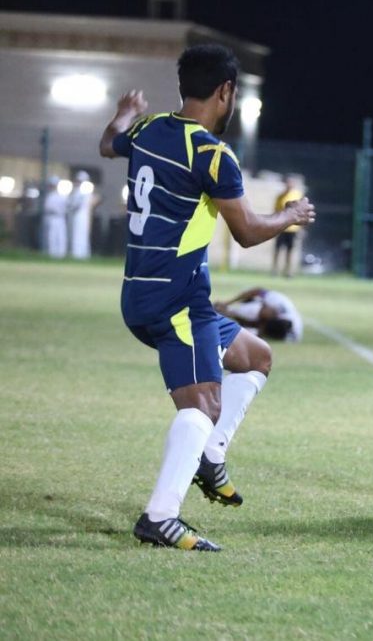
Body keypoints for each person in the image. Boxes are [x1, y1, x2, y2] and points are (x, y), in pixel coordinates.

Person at [98, 44, 316, 551]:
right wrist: (291, 215)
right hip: (176, 301)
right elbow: (247, 231)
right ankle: (160, 517)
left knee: (256, 357)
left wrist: (124, 113)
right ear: (226, 92)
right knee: (204, 404)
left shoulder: (149, 128)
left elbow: (109, 144)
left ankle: (210, 457)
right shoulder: (212, 154)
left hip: (143, 293)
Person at [216, 287, 304, 342]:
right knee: (262, 312)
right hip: (255, 307)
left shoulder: (292, 336)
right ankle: (228, 311)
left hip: (269, 326)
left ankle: (229, 313)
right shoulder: (279, 303)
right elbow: (257, 291)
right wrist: (227, 303)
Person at [272, 176, 304, 277]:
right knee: (277, 249)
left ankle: (288, 271)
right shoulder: (280, 196)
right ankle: (274, 270)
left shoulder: (298, 195)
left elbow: (302, 212)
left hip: (292, 228)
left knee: (290, 250)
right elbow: (276, 211)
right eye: (287, 183)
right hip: (281, 227)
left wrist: (301, 227)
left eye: (291, 183)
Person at [69, 171, 95, 260]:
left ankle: (79, 254)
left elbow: (76, 205)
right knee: (76, 235)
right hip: (77, 215)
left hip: (80, 216)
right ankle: (77, 254)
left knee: (79, 235)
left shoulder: (83, 192)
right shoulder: (76, 191)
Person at [42, 176, 68, 258]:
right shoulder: (48, 196)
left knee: (60, 236)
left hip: (59, 218)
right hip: (51, 218)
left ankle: (61, 254)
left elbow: (66, 208)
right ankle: (52, 254)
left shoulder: (62, 196)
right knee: (51, 237)